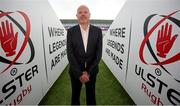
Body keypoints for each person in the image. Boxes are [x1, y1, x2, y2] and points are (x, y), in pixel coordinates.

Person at [67, 5, 102, 105]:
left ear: (89, 15)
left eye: (85, 12)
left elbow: (98, 54)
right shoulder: (71, 31)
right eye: (80, 12)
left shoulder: (98, 31)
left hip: (92, 71)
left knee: (91, 96)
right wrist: (79, 73)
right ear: (76, 15)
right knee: (75, 96)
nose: (83, 14)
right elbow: (70, 54)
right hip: (75, 71)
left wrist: (88, 72)